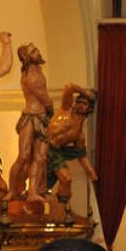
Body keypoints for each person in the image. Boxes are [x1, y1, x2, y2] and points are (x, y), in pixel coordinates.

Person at [8, 43, 53, 202]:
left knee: (40, 157)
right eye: (34, 51)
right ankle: (12, 190)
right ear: (28, 58)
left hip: (41, 117)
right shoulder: (32, 76)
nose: (38, 52)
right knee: (24, 156)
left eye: (37, 49)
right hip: (31, 117)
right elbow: (44, 98)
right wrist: (51, 107)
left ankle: (32, 191)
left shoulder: (37, 71)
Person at [45, 84, 99, 215]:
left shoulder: (79, 135)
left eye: (84, 103)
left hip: (53, 153)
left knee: (66, 179)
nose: (80, 105)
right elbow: (69, 87)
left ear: (90, 109)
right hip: (43, 146)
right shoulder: (66, 109)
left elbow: (81, 155)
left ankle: (62, 209)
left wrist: (92, 174)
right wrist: (84, 91)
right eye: (79, 101)